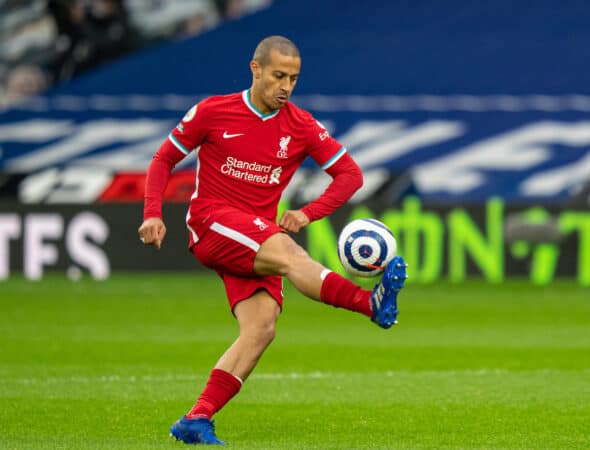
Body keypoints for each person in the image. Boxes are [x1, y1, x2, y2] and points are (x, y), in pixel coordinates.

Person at [138, 35, 407, 445]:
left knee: (262, 328)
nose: (286, 86)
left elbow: (351, 174)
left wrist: (307, 212)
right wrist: (153, 213)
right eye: (279, 75)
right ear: (256, 69)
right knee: (287, 252)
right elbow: (164, 159)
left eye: (294, 79)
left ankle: (196, 419)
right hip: (211, 222)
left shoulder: (299, 124)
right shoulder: (213, 111)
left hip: (257, 236)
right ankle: (367, 303)